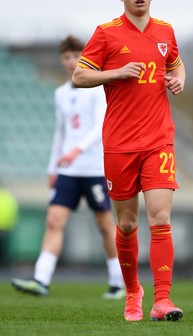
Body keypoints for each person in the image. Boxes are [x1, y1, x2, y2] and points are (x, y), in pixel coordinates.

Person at [72, 0, 186, 321]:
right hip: (119, 143)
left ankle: (162, 300)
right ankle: (133, 292)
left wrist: (179, 79)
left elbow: (177, 65)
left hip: (158, 139)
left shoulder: (165, 31)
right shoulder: (106, 34)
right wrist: (117, 73)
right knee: (125, 223)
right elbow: (79, 75)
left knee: (160, 215)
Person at [11, 35, 124, 299]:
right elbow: (60, 133)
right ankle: (41, 279)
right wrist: (54, 167)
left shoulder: (98, 89)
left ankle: (118, 282)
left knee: (106, 226)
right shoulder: (60, 93)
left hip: (94, 168)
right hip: (67, 171)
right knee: (54, 221)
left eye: (76, 56)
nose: (72, 62)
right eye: (66, 57)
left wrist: (78, 149)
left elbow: (101, 126)